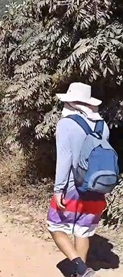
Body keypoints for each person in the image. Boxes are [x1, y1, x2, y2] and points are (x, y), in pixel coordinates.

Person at [47, 82, 114, 277]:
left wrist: (58, 189)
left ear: (73, 103)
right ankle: (81, 273)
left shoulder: (66, 124)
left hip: (72, 188)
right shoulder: (103, 126)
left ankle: (80, 266)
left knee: (55, 226)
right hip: (97, 187)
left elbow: (64, 160)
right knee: (82, 231)